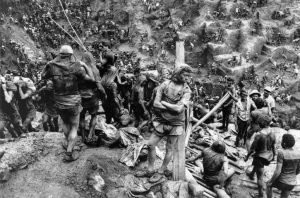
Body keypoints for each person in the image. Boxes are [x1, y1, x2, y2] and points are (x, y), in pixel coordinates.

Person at [135, 64, 192, 181]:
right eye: (185, 75)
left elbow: (179, 109)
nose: (187, 77)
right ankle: (150, 170)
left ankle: (161, 171)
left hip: (176, 124)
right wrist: (172, 106)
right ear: (178, 74)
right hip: (161, 121)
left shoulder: (187, 90)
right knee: (151, 144)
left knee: (169, 148)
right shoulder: (165, 85)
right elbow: (156, 104)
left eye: (188, 75)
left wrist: (164, 103)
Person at [42, 45, 95, 161]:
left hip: (59, 100)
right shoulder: (77, 67)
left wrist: (47, 65)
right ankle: (69, 152)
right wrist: (85, 65)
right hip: (73, 100)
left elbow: (43, 76)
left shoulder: (52, 66)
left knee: (65, 122)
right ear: (71, 55)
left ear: (60, 55)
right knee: (74, 126)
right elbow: (92, 79)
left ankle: (67, 142)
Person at [245, 117, 276, 198]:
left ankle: (261, 195)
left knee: (260, 177)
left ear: (262, 124)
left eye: (258, 124)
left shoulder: (259, 135)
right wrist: (274, 155)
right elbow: (274, 146)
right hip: (268, 155)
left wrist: (247, 157)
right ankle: (251, 174)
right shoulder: (272, 133)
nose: (258, 125)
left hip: (260, 156)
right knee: (258, 166)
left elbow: (252, 149)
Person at [79, 52, 106, 142]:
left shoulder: (79, 69)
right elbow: (99, 86)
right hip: (93, 96)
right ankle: (90, 135)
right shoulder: (94, 70)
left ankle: (83, 137)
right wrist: (104, 95)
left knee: (81, 116)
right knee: (94, 116)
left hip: (81, 96)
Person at [266, 133, 300, 198]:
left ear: (284, 143)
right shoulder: (298, 153)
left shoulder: (281, 152)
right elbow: (298, 170)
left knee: (268, 185)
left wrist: (271, 181)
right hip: (292, 183)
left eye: (282, 140)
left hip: (282, 181)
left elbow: (277, 171)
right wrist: (291, 177)